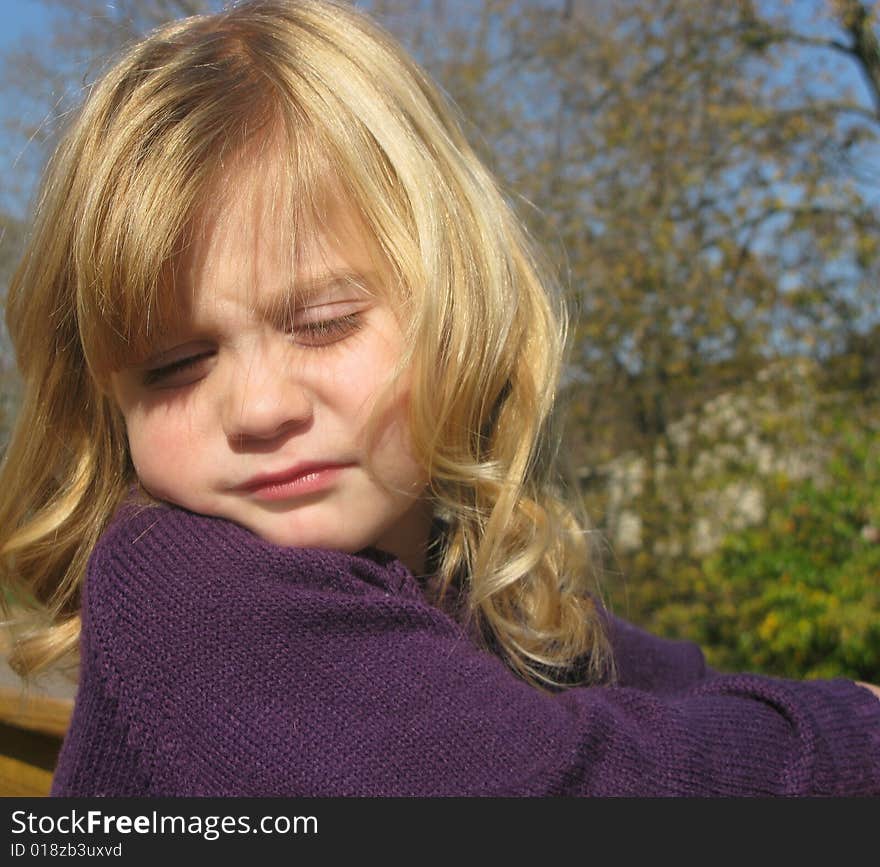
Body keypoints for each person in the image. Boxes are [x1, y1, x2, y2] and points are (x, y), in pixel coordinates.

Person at [0, 0, 877, 797]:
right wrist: (855, 734)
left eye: (324, 322)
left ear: (455, 310)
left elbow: (667, 679)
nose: (259, 409)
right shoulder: (184, 582)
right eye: (176, 365)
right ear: (106, 397)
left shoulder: (463, 564)